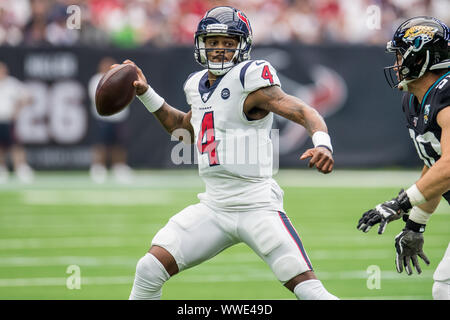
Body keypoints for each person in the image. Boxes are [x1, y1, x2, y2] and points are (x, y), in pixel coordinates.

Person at [127, 6, 337, 300]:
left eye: (228, 43)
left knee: (309, 291)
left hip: (257, 205)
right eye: (213, 42)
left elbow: (303, 110)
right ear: (201, 44)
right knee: (149, 269)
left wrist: (322, 143)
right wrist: (146, 93)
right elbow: (184, 129)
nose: (219, 50)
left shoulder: (248, 79)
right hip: (214, 206)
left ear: (243, 46)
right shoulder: (195, 85)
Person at [357, 16, 450, 300]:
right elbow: (434, 167)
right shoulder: (413, 99)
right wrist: (415, 224)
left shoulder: (446, 94)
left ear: (418, 56)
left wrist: (400, 202)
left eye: (400, 55)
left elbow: (448, 167)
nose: (396, 64)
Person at [88, 57, 133, 184]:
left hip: (119, 117)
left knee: (119, 144)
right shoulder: (96, 80)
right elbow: (98, 99)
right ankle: (98, 168)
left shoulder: (122, 79)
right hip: (103, 118)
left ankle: (119, 167)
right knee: (101, 144)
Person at [0, 62, 34, 184]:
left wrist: (18, 108)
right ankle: (1, 169)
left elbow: (28, 97)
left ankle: (20, 168)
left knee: (15, 145)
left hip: (9, 120)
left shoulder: (11, 83)